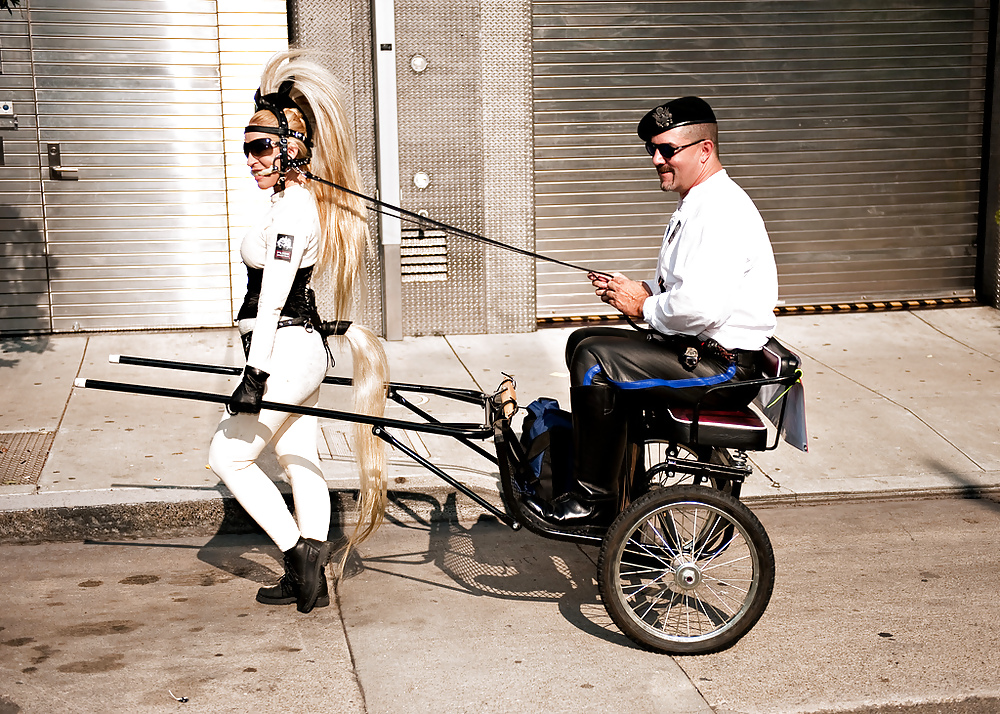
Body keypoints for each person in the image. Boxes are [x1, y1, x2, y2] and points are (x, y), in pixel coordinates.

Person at [525, 96, 778, 526]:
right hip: (701, 349)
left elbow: (699, 307)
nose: (657, 159)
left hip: (724, 367)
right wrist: (638, 292)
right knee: (582, 340)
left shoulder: (720, 211)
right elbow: (684, 290)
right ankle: (618, 478)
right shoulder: (698, 202)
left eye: (668, 150)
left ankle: (596, 499)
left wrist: (644, 306)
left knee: (594, 361)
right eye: (653, 150)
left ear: (704, 150)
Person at [209, 50, 389, 613]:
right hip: (301, 348)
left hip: (283, 348)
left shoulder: (292, 211)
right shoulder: (289, 200)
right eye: (246, 148)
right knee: (296, 455)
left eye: (261, 147)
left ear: (292, 148)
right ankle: (308, 570)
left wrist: (253, 372)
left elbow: (274, 298)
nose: (252, 159)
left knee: (226, 458)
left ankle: (297, 553)